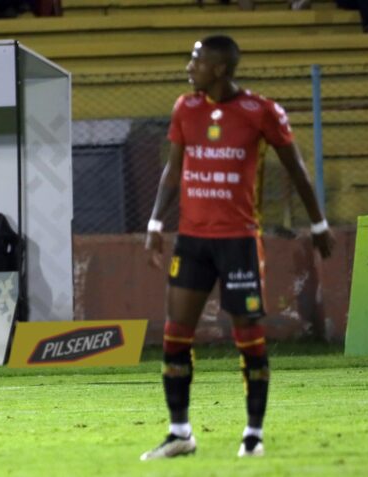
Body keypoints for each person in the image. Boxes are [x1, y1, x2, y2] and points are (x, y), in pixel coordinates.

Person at [140, 35, 334, 460]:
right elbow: (174, 170)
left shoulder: (261, 111)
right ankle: (179, 433)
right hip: (192, 241)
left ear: (221, 69)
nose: (190, 66)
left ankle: (253, 434)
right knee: (175, 335)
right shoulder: (185, 108)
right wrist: (156, 222)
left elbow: (296, 168)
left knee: (247, 335)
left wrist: (318, 223)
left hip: (238, 242)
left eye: (197, 60)